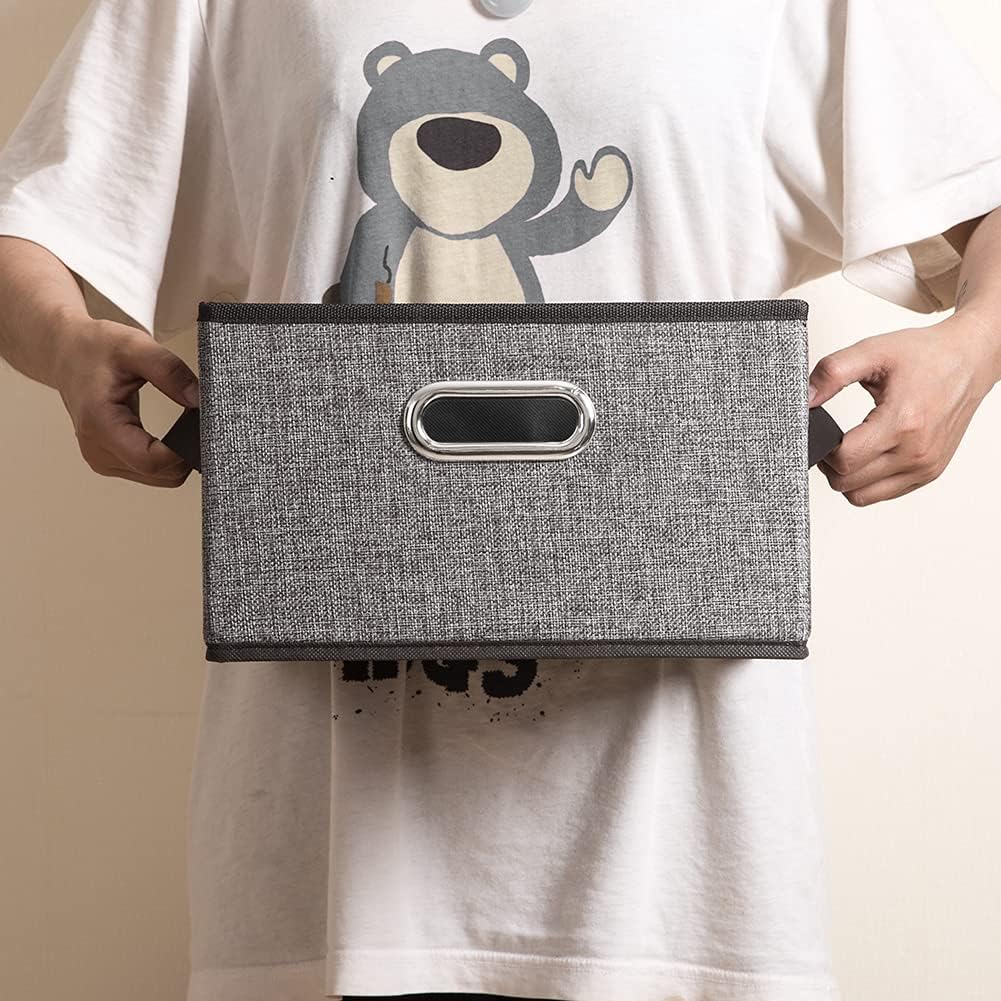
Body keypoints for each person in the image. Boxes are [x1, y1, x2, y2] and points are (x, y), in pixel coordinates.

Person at [1, 1, 1000, 1000]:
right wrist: (64, 343)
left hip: (684, 854)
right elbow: (27, 235)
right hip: (326, 854)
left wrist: (966, 351)